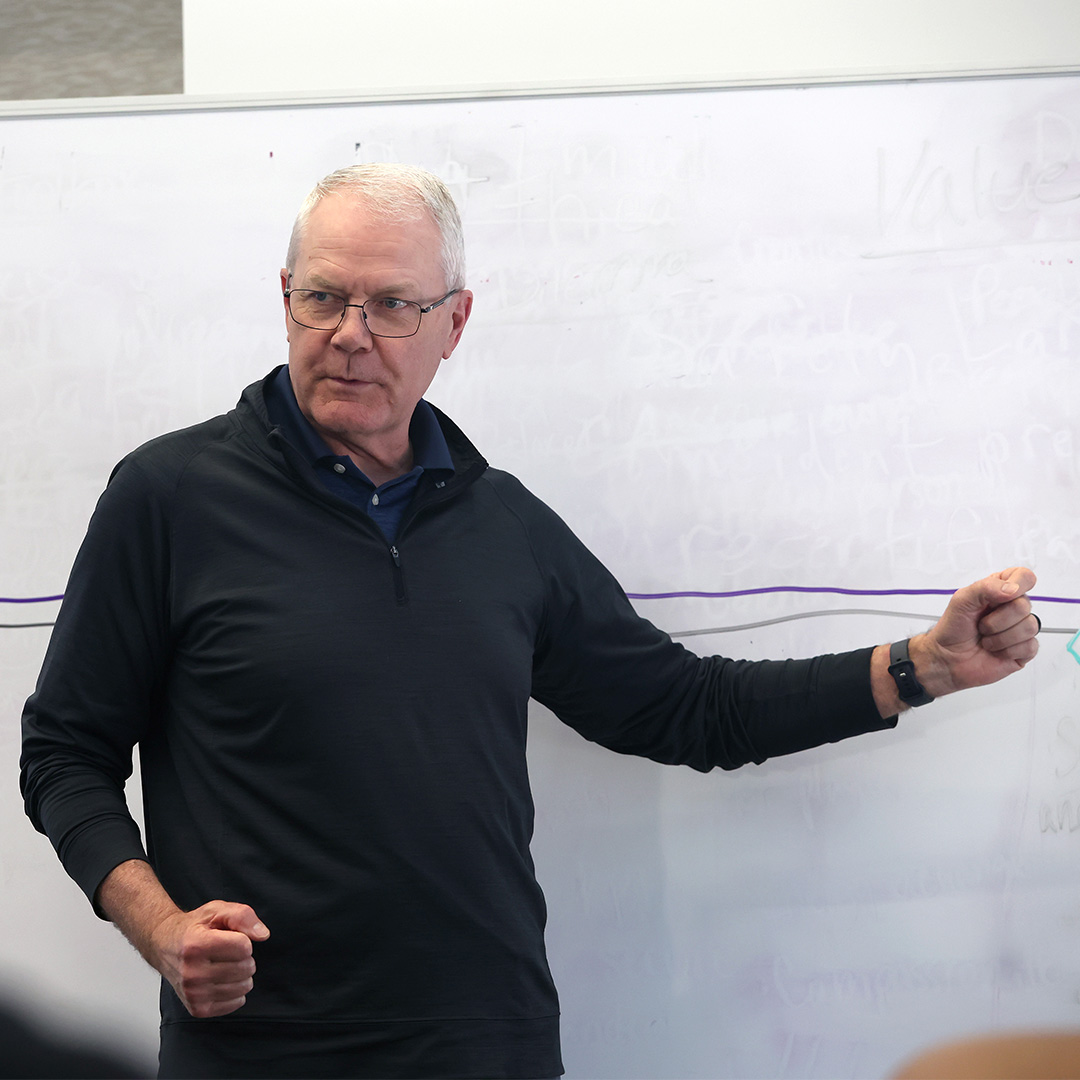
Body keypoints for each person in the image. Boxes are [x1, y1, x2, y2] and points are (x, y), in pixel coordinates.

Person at [20, 164, 1040, 1080]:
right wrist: (160, 929)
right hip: (262, 1051)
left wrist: (926, 665)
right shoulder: (172, 499)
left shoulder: (499, 522)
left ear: (454, 322)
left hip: (487, 1043)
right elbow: (65, 753)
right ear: (285, 297)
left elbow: (687, 709)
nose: (351, 335)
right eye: (323, 297)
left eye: (393, 305)